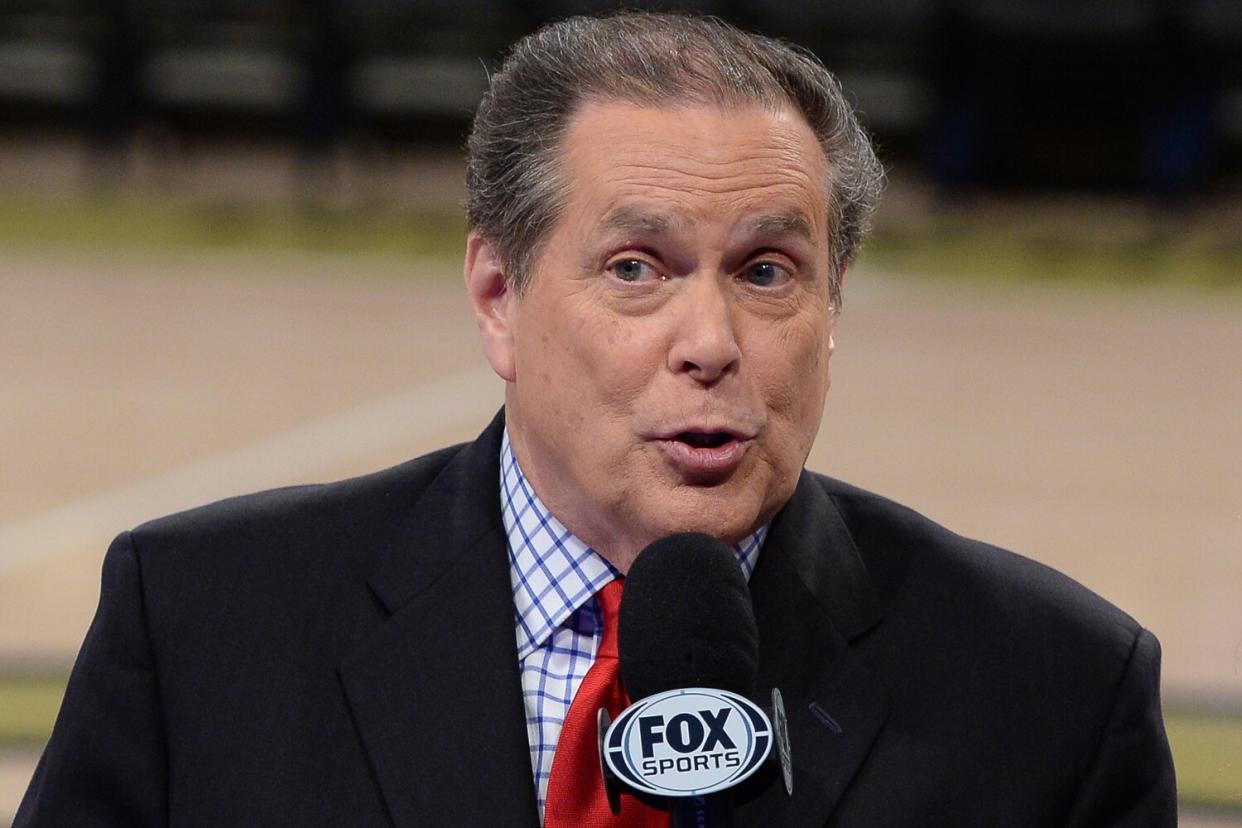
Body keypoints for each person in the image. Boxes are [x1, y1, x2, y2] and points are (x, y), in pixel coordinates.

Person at [16, 12, 1175, 827]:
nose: (712, 340)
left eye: (768, 271)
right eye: (637, 267)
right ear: (498, 299)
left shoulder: (1055, 693)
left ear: (834, 307)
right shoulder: (202, 627)